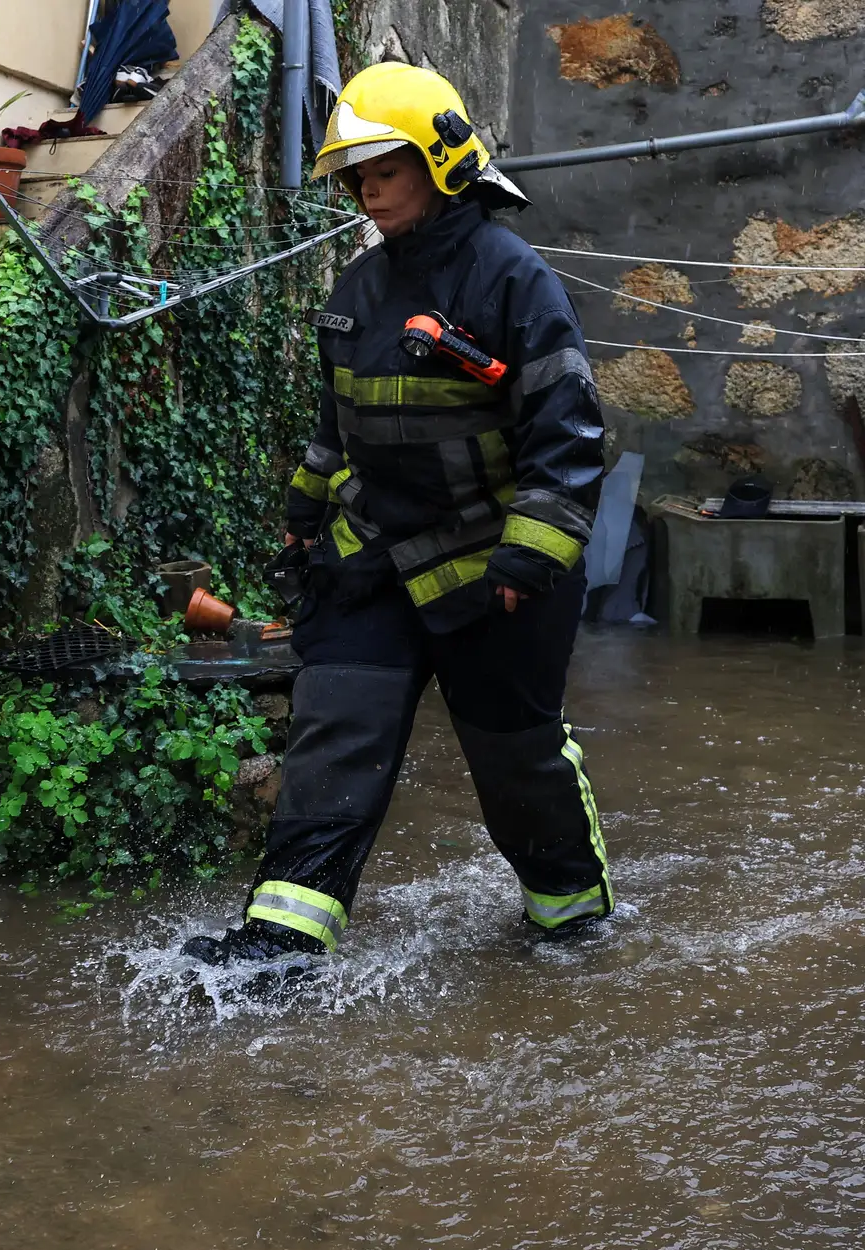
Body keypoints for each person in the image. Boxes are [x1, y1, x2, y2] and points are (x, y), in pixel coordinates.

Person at [183, 62, 613, 966]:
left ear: (442, 161)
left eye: (385, 168)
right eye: (356, 176)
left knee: (515, 764)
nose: (367, 190)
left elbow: (566, 438)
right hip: (372, 561)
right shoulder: (358, 294)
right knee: (334, 737)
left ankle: (572, 920)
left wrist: (528, 564)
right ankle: (282, 947)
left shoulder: (515, 283)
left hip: (491, 574)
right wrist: (302, 530)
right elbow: (333, 439)